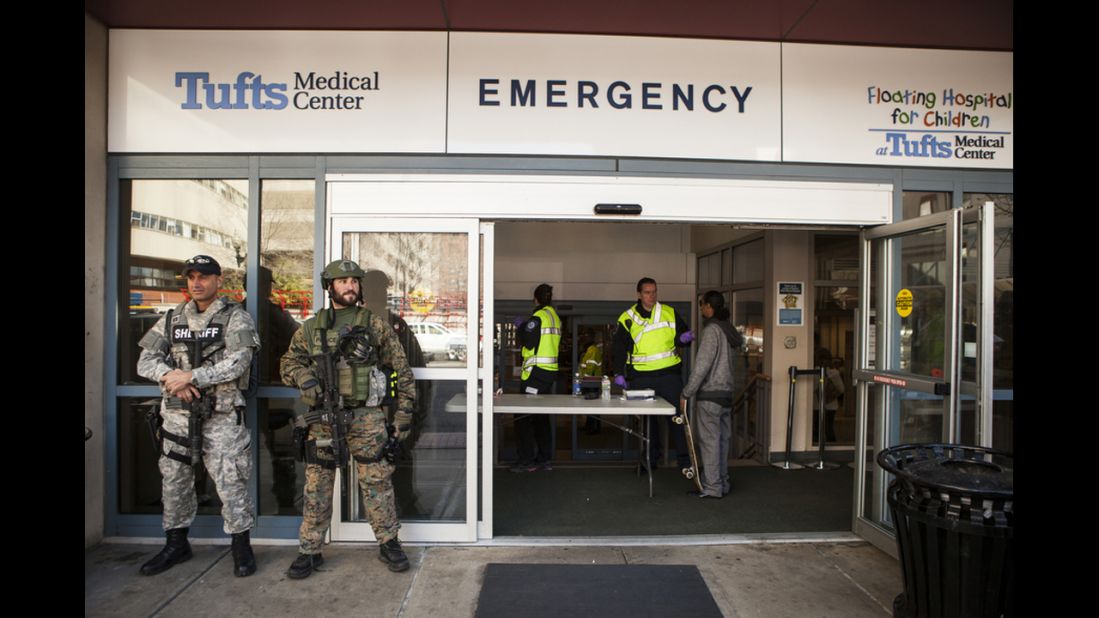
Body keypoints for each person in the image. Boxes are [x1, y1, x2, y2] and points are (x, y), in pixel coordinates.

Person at [280, 259, 416, 579]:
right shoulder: (312, 328)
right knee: (317, 484)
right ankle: (310, 549)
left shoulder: (374, 324)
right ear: (330, 287)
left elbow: (403, 371)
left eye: (354, 281)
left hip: (366, 417)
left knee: (377, 481)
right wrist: (304, 378)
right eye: (342, 282)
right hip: (324, 418)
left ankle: (388, 542)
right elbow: (287, 363)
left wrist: (403, 419)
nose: (349, 286)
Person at [136, 254, 260, 577]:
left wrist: (192, 377)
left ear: (218, 281)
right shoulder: (171, 319)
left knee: (231, 483)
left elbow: (239, 362)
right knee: (174, 482)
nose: (197, 282)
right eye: (191, 277)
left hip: (221, 419)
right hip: (177, 417)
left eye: (204, 276)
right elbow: (145, 361)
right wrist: (171, 378)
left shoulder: (236, 317)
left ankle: (241, 546)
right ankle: (176, 543)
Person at [361, 269, 433, 518]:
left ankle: (405, 506)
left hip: (391, 407)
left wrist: (415, 410)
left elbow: (417, 368)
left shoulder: (395, 324)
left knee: (398, 456)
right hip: (361, 411)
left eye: (383, 288)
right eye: (377, 288)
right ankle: (371, 514)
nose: (381, 293)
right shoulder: (350, 323)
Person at [612, 277, 694, 473]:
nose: (652, 296)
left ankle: (685, 462)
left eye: (654, 292)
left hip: (669, 375)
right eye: (648, 292)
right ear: (639, 294)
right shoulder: (627, 318)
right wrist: (618, 372)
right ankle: (649, 460)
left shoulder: (669, 313)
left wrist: (684, 339)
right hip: (641, 376)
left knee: (677, 419)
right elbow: (619, 349)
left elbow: (682, 337)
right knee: (648, 422)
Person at [680, 291, 744, 498]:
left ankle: (713, 487)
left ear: (709, 306)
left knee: (709, 442)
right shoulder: (729, 330)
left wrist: (686, 392)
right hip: (726, 394)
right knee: (722, 441)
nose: (700, 308)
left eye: (701, 305)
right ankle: (722, 483)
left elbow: (702, 367)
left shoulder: (711, 331)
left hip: (710, 396)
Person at [511, 283, 560, 473]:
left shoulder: (538, 317)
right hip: (547, 374)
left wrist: (522, 327)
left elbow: (529, 343)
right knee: (540, 417)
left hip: (535, 374)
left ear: (536, 299)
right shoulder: (554, 317)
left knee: (522, 416)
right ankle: (544, 459)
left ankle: (526, 461)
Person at [578, 332, 604, 433]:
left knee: (592, 406)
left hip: (591, 382)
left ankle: (592, 428)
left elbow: (590, 366)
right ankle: (591, 426)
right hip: (593, 381)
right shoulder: (592, 350)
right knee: (593, 406)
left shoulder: (592, 350)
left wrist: (584, 379)